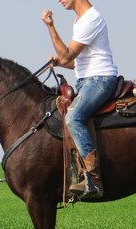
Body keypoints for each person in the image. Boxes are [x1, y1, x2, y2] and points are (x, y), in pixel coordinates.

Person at [41, 1, 118, 199]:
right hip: (87, 80)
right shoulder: (80, 20)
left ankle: (94, 179)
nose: (59, 0)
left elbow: (67, 56)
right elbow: (76, 62)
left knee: (73, 117)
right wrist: (59, 62)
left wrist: (50, 27)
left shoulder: (90, 19)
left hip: (100, 80)